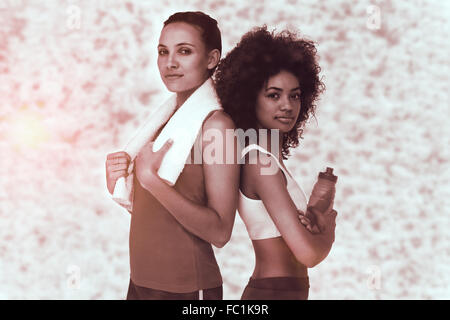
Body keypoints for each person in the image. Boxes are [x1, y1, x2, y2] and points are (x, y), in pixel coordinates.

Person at [105, 11, 239, 300]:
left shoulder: (217, 126)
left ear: (212, 59)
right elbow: (162, 213)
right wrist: (122, 184)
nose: (170, 63)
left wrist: (151, 181)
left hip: (187, 289)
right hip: (141, 282)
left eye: (185, 51)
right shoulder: (164, 122)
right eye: (163, 52)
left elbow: (220, 232)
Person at [215, 26, 337, 300]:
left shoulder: (267, 158)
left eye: (294, 95)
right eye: (274, 95)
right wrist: (329, 229)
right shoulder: (259, 162)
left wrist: (315, 219)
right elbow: (308, 254)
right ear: (248, 98)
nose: (288, 105)